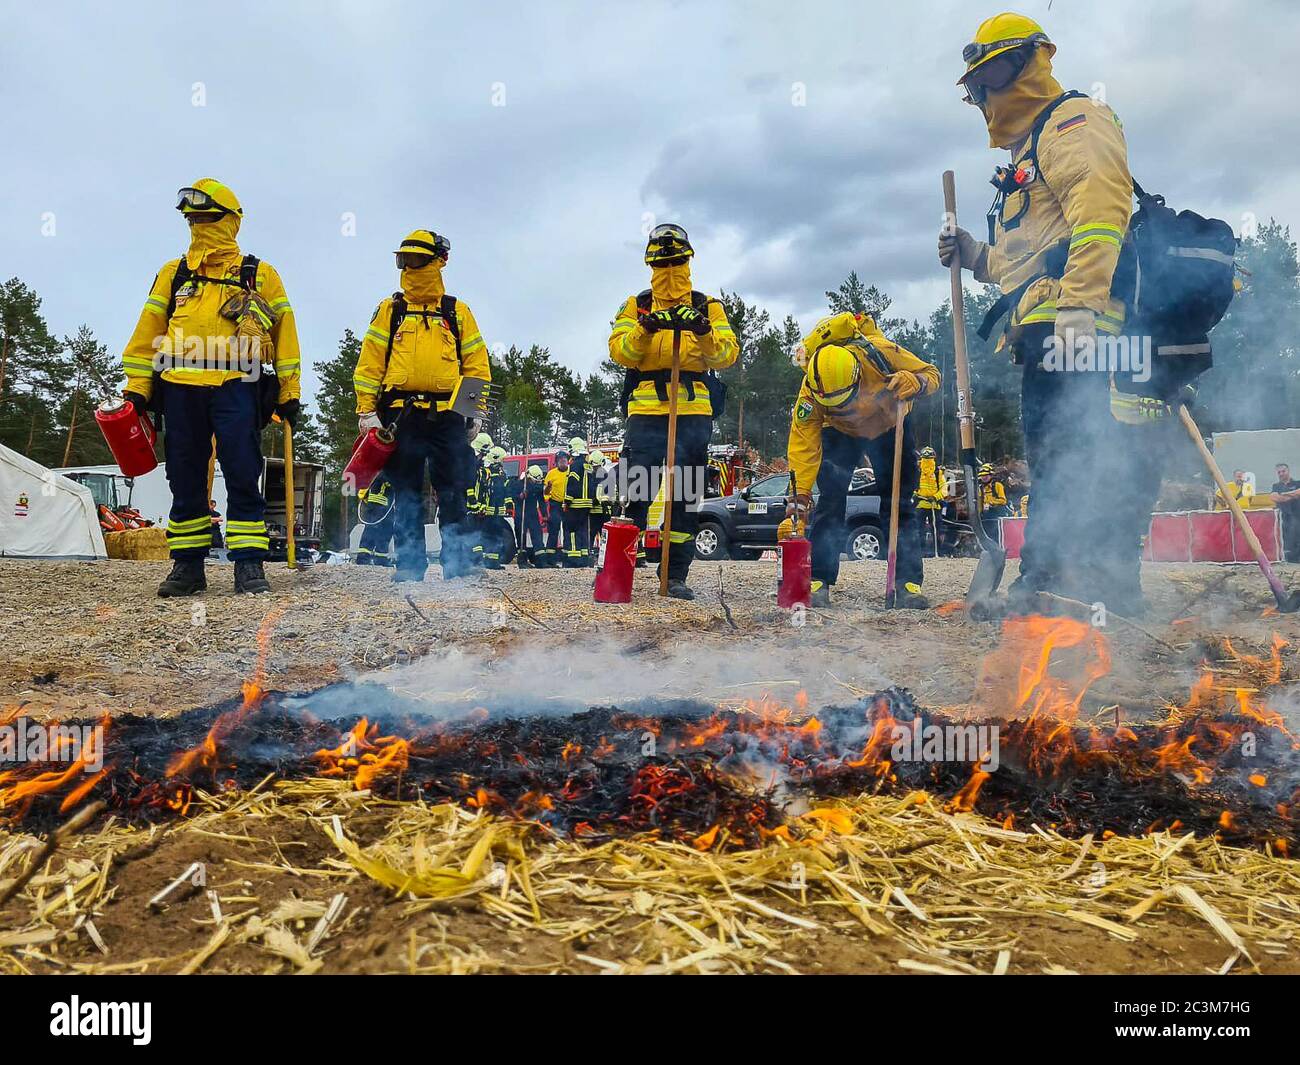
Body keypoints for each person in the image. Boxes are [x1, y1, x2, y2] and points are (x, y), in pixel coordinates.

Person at [940, 12, 1133, 611]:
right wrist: (975, 255)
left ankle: (1057, 586)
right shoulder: (1031, 147)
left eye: (987, 80)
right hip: (1046, 325)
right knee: (1056, 457)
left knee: (1073, 454)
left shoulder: (1072, 121)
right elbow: (1028, 260)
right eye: (974, 88)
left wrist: (1078, 308)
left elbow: (1103, 214)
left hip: (1076, 325)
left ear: (1018, 66)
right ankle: (1067, 584)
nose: (982, 97)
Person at [121, 178, 301, 597]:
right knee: (184, 477)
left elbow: (286, 334)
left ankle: (249, 563)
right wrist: (138, 387)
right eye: (192, 218)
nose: (198, 224)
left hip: (238, 384)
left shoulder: (259, 274)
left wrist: (289, 391)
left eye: (206, 216)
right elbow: (148, 332)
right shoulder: (174, 273)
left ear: (231, 221)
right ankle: (187, 566)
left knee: (242, 470)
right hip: (180, 387)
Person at [607, 223, 738, 599]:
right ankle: (621, 572)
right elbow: (620, 352)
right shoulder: (638, 304)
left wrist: (702, 331)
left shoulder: (707, 305)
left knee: (685, 494)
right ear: (651, 263)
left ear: (687, 260)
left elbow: (727, 353)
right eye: (662, 261)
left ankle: (674, 575)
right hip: (646, 412)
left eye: (675, 260)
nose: (669, 267)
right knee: (637, 493)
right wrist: (644, 329)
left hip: (693, 410)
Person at [352, 229, 489, 581]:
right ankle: (410, 566)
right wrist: (367, 410)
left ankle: (456, 566)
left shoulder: (457, 312)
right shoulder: (391, 310)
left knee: (454, 491)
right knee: (406, 494)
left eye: (416, 259)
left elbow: (475, 364)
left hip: (448, 416)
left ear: (438, 261)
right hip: (402, 415)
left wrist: (474, 412)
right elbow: (370, 364)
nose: (409, 266)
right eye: (404, 260)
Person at [786, 311, 941, 608]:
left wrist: (916, 382)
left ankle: (906, 583)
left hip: (889, 425)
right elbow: (803, 447)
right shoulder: (811, 392)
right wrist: (799, 497)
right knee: (830, 501)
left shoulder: (882, 353)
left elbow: (932, 374)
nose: (846, 407)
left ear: (857, 375)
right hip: (840, 432)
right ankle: (819, 580)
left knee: (898, 502)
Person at [481, 446, 517, 569]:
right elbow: (482, 492)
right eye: (501, 460)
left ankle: (492, 561)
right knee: (491, 536)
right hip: (489, 512)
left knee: (494, 536)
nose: (502, 463)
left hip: (496, 512)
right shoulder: (486, 474)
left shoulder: (500, 476)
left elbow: (506, 491)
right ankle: (491, 562)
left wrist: (509, 502)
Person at [562, 437, 594, 567]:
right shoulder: (588, 466)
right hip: (587, 504)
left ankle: (574, 559)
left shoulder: (575, 465)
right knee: (583, 530)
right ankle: (584, 557)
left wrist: (567, 501)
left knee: (572, 530)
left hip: (576, 504)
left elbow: (573, 485)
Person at [355, 474, 395, 566]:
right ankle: (365, 558)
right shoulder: (387, 471)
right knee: (375, 531)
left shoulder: (380, 472)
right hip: (380, 504)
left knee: (384, 531)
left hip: (381, 505)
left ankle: (378, 558)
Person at [915, 446, 945, 556]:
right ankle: (921, 551)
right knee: (919, 530)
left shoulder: (938, 473)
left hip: (934, 505)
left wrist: (936, 497)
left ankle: (937, 551)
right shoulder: (918, 472)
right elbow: (913, 486)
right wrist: (915, 495)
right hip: (921, 504)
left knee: (936, 530)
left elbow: (944, 489)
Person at [517, 465, 548, 568]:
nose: (537, 483)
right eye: (535, 481)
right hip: (521, 514)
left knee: (537, 536)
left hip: (532, 514)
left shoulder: (537, 487)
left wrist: (544, 515)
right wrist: (521, 496)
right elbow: (512, 496)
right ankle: (522, 562)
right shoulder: (520, 484)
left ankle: (541, 561)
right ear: (528, 477)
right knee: (522, 538)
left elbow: (541, 501)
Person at [1270, 463, 1300, 563]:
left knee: (1296, 537)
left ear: (1288, 471)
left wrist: (1284, 494)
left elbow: (1299, 493)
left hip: (1297, 515)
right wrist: (1292, 495)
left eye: (1283, 471)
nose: (1281, 474)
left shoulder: (1297, 483)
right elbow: (1274, 497)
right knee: (1285, 540)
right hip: (1282, 517)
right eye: (1279, 472)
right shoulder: (1276, 486)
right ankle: (1289, 560)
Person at [978, 462, 1008, 543]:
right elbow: (980, 502)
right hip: (985, 515)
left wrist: (991, 502)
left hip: (997, 515)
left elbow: (1003, 501)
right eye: (982, 476)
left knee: (997, 535)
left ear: (991, 475)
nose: (984, 477)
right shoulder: (980, 488)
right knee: (987, 534)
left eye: (986, 475)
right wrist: (979, 514)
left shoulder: (997, 485)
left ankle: (999, 550)